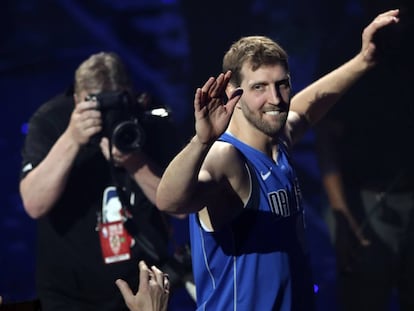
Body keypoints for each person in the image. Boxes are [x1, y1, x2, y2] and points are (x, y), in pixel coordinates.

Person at [155, 9, 400, 311]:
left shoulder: (278, 141)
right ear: (234, 92)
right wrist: (201, 141)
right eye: (259, 87)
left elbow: (309, 106)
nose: (276, 98)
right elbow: (169, 202)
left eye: (282, 84)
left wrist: (364, 60)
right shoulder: (226, 156)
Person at [19, 51, 191, 310]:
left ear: (130, 94)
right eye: (96, 104)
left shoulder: (149, 117)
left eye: (117, 102)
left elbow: (180, 207)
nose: (108, 113)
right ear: (76, 99)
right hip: (68, 297)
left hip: (141, 291)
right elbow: (34, 204)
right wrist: (72, 139)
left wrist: (135, 162)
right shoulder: (50, 121)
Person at [314, 3, 414, 310]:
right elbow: (325, 137)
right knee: (365, 294)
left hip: (407, 194)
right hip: (366, 201)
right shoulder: (345, 46)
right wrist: (341, 213)